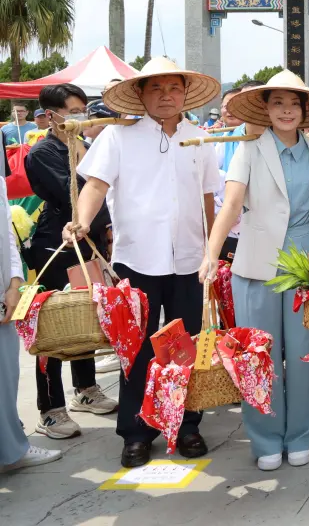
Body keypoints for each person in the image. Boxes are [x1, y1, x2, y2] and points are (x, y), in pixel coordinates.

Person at [66, 58, 222, 469]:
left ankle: (187, 424)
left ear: (185, 94)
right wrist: (81, 221)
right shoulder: (119, 137)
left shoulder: (199, 139)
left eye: (174, 88)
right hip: (136, 259)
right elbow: (95, 185)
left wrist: (211, 250)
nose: (166, 95)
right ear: (140, 95)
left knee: (184, 348)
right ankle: (136, 432)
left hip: (190, 260)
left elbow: (209, 197)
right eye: (156, 89)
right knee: (135, 351)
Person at [201, 71, 309, 471]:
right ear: (266, 109)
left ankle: (301, 435)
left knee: (305, 356)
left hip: (306, 265)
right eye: (277, 103)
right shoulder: (249, 149)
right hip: (256, 263)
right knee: (258, 356)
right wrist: (212, 253)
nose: (286, 110)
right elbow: (230, 205)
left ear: (304, 110)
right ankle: (264, 439)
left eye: (293, 104)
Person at [23, 84, 117, 439]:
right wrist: (80, 149)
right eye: (73, 112)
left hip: (89, 241)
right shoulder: (43, 152)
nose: (80, 118)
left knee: (85, 315)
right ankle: (50, 408)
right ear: (51, 116)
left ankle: (86, 389)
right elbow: (76, 192)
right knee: (50, 327)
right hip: (55, 244)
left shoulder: (83, 146)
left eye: (83, 111)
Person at [1, 171, 64, 472]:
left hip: (3, 292)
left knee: (6, 373)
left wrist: (14, 283)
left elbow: (6, 236)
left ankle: (11, 449)